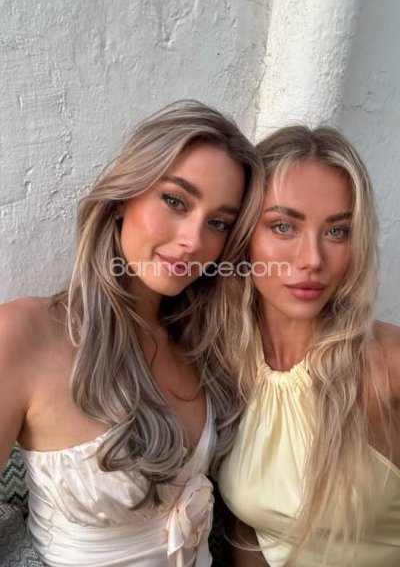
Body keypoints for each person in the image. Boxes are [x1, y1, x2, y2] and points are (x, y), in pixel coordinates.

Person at [0, 99, 264, 567]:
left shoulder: (203, 345)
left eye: (218, 223)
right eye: (175, 201)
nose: (193, 241)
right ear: (124, 196)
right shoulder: (24, 334)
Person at [219, 126, 400, 567]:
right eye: (284, 226)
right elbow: (250, 532)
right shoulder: (225, 360)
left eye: (337, 231)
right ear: (243, 236)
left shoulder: (388, 364)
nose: (313, 259)